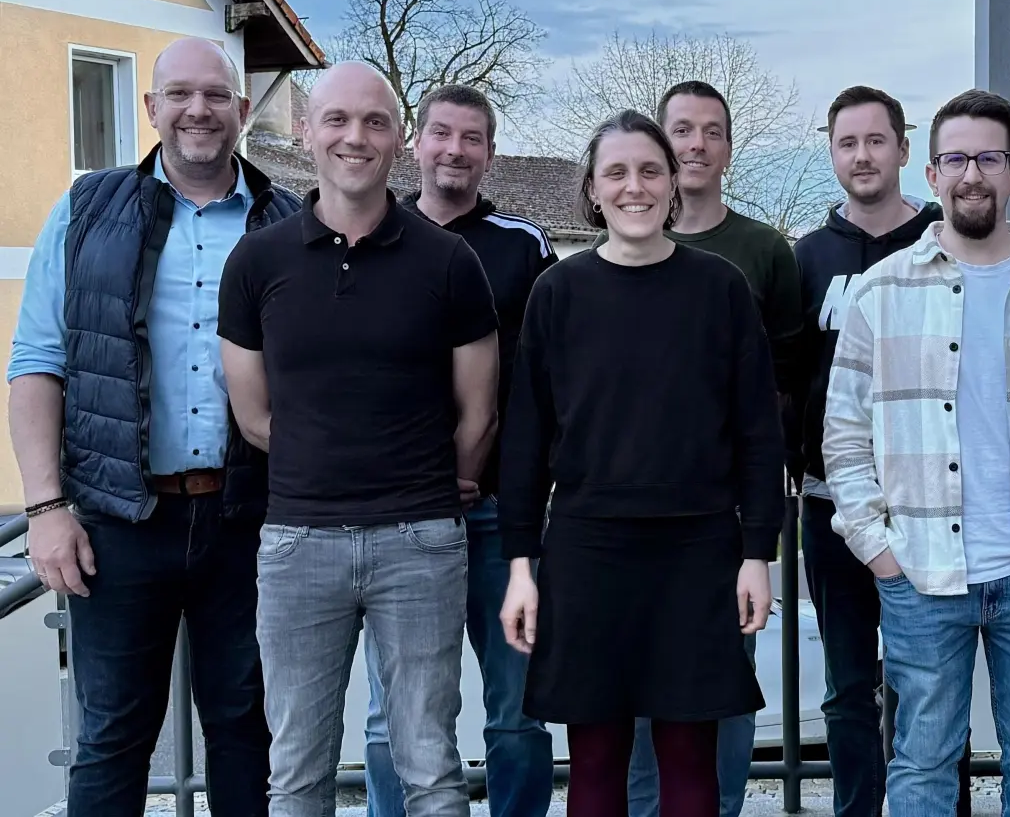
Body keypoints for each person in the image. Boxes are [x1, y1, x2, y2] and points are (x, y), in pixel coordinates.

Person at [821, 89, 1010, 817]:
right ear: (931, 174)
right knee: (923, 765)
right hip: (921, 572)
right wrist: (876, 547)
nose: (972, 174)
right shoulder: (880, 292)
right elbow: (844, 434)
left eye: (988, 158)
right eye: (955, 158)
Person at [8, 37, 290, 816]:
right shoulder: (89, 209)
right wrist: (43, 508)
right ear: (152, 107)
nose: (198, 109)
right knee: (113, 735)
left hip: (251, 521)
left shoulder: (288, 221)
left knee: (247, 729)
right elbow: (37, 361)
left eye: (215, 94)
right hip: (118, 519)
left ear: (240, 108)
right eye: (180, 94)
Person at [217, 61, 500, 817]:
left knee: (431, 767)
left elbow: (479, 409)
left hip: (421, 542)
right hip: (296, 544)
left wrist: (443, 481)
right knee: (298, 773)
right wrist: (328, 460)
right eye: (337, 119)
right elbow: (252, 416)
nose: (355, 136)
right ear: (305, 132)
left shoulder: (449, 262)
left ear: (399, 139)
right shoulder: (256, 263)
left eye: (375, 122)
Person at [496, 108, 784, 817]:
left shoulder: (720, 290)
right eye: (617, 173)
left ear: (673, 183)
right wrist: (519, 568)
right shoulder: (557, 293)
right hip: (589, 549)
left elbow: (758, 431)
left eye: (650, 170)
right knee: (595, 756)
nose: (635, 187)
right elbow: (527, 441)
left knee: (690, 751)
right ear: (592, 190)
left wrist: (757, 554)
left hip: (699, 549)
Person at [591, 81, 804, 817]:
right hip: (628, 526)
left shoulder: (760, 253)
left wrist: (756, 531)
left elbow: (776, 392)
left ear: (729, 148)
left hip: (717, 518)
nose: (696, 145)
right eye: (682, 129)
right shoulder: (607, 264)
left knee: (724, 697)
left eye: (713, 131)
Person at [362, 83, 559, 817]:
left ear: (490, 154)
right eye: (440, 134)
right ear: (415, 142)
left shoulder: (523, 245)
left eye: (470, 138)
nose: (454, 150)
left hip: (498, 516)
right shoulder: (372, 233)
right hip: (398, 519)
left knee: (516, 708)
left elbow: (542, 383)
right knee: (395, 715)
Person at [790, 84, 972, 817]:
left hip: (936, 504)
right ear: (831, 152)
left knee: (931, 681)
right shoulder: (806, 257)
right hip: (834, 504)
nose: (862, 156)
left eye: (876, 140)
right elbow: (791, 378)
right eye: (846, 142)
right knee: (846, 688)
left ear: (905, 148)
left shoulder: (946, 239)